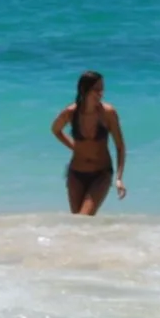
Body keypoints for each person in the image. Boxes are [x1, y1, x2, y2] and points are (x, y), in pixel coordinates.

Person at [51, 70, 127, 216]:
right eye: (96, 89)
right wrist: (74, 147)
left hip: (101, 173)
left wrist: (119, 178)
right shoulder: (71, 112)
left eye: (102, 89)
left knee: (83, 217)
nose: (101, 93)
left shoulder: (108, 113)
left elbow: (120, 146)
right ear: (85, 90)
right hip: (76, 174)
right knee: (78, 222)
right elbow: (55, 130)